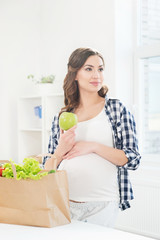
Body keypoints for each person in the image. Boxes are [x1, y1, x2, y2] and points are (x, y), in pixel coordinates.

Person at [43, 47, 141, 228]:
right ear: (75, 74)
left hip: (102, 204)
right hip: (64, 203)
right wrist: (60, 150)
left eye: (100, 69)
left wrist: (93, 146)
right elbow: (47, 169)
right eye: (89, 69)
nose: (97, 75)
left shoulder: (116, 110)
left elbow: (133, 159)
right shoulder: (62, 116)